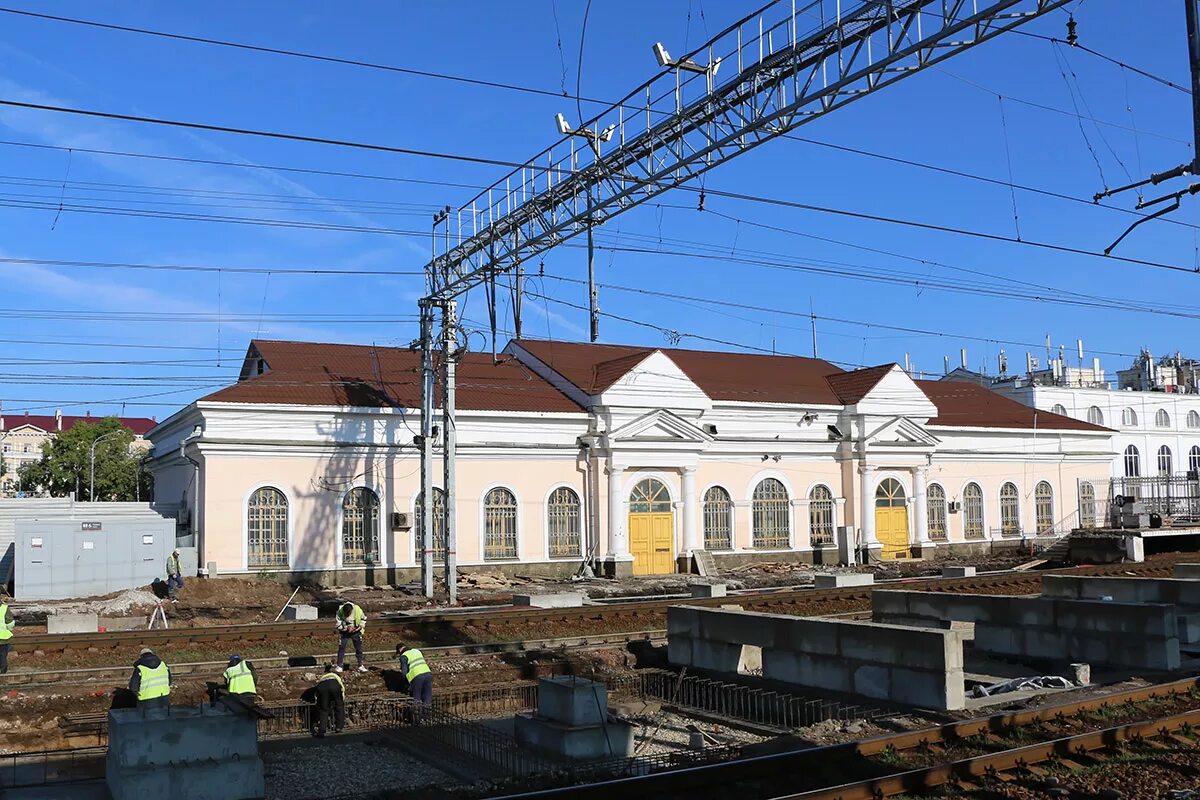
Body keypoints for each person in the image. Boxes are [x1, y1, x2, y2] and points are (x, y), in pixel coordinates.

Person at [311, 663, 345, 737]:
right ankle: (339, 727)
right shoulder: (337, 678)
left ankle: (322, 730)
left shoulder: (322, 678)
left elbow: (317, 694)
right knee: (339, 706)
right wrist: (341, 700)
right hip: (334, 685)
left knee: (324, 710)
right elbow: (342, 689)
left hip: (322, 687)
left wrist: (319, 703)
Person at [335, 602, 368, 673]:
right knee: (341, 648)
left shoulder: (358, 610)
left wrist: (358, 627)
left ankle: (360, 665)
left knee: (359, 648)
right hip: (344, 632)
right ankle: (339, 666)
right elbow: (338, 624)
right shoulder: (339, 612)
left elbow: (363, 619)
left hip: (356, 631)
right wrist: (346, 628)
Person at [0, 601, 14, 675]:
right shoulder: (4, 608)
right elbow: (10, 624)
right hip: (3, 639)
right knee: (2, 657)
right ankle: (2, 675)